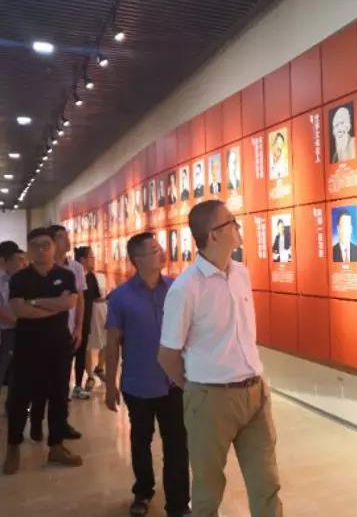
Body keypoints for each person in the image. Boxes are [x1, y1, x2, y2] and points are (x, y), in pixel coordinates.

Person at [158, 200, 283, 517]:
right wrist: (196, 388)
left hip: (255, 393)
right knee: (208, 489)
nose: (238, 226)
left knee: (267, 483)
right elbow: (167, 355)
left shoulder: (241, 273)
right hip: (210, 398)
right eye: (231, 221)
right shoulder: (186, 288)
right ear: (213, 235)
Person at [105, 233, 190, 517]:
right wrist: (109, 385)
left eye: (160, 247)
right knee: (140, 441)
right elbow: (112, 344)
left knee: (177, 445)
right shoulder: (121, 297)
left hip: (174, 383)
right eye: (154, 250)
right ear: (137, 259)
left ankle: (178, 504)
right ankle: (143, 491)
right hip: (138, 384)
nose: (162, 252)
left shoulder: (176, 288)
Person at [3, 228, 83, 474]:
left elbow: (70, 302)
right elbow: (19, 310)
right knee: (19, 398)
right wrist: (54, 306)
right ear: (28, 249)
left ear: (53, 247)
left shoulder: (66, 275)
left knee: (59, 396)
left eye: (46, 244)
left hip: (58, 345)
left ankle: (56, 446)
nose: (41, 249)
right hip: (27, 345)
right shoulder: (19, 278)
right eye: (35, 245)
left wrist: (35, 302)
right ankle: (13, 447)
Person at [73, 247, 104, 393]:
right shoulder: (73, 276)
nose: (94, 259)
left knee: (82, 352)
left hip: (86, 320)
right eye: (91, 257)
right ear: (82, 260)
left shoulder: (91, 277)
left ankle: (79, 384)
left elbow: (96, 297)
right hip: (73, 321)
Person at [0, 245, 27, 407]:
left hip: (16, 330)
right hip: (5, 331)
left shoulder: (16, 280)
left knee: (16, 371)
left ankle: (12, 406)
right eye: (20, 260)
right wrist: (18, 323)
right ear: (6, 260)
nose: (23, 264)